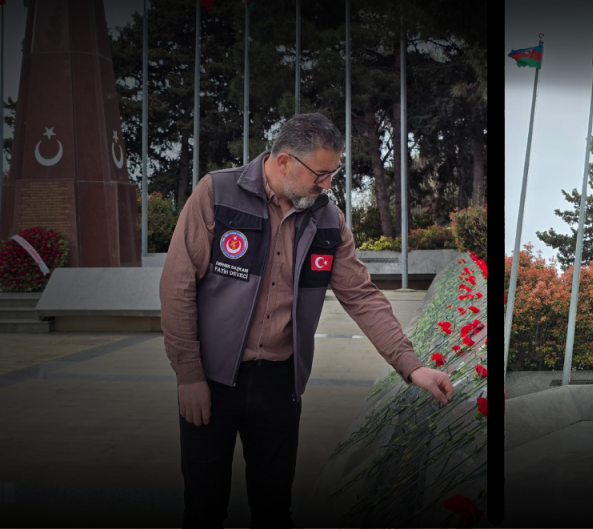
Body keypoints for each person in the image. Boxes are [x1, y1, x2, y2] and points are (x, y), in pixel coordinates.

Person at [159, 113, 454, 528]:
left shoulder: (328, 220)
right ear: (283, 162)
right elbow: (177, 286)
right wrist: (188, 375)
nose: (327, 185)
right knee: (204, 507)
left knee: (275, 509)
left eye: (333, 174)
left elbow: (362, 296)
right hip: (211, 382)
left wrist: (413, 365)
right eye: (321, 174)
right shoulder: (217, 193)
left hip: (281, 385)